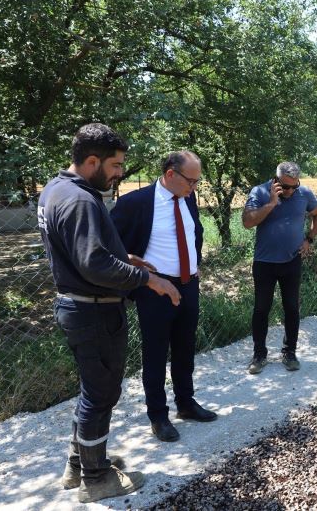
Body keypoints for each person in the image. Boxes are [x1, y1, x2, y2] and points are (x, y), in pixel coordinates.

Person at [37, 123, 180, 503]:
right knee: (101, 395)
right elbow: (94, 264)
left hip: (79, 308)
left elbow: (84, 250)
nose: (120, 173)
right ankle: (96, 478)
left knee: (92, 392)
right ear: (92, 161)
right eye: (115, 165)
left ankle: (80, 464)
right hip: (93, 312)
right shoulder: (81, 200)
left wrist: (124, 257)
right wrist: (148, 280)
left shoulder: (57, 189)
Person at [111, 150, 217, 443]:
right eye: (191, 181)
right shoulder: (136, 203)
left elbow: (191, 237)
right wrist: (140, 280)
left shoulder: (188, 198)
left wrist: (193, 269)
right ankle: (158, 416)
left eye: (197, 182)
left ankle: (186, 403)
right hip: (154, 289)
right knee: (155, 353)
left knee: (185, 348)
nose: (194, 188)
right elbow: (112, 247)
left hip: (188, 284)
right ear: (171, 174)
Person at [242, 162, 317, 374]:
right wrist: (271, 203)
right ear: (276, 181)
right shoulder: (259, 192)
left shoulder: (303, 193)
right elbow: (247, 222)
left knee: (292, 308)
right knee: (261, 309)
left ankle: (290, 353)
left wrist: (310, 239)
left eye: (293, 187)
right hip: (265, 263)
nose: (290, 191)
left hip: (291, 261)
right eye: (285, 187)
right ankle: (259, 355)